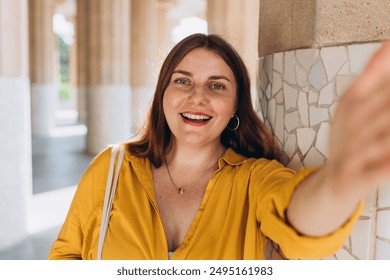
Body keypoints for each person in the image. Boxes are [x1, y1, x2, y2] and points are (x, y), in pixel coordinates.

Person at [48, 33, 390, 260]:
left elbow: (299, 222)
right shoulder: (111, 167)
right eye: (182, 81)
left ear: (234, 107)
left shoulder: (255, 178)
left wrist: (340, 180)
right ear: (162, 94)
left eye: (217, 86)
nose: (197, 97)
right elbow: (65, 258)